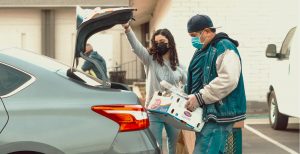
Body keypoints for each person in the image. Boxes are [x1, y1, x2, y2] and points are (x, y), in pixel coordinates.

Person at [184, 14, 246, 154]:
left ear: (206, 31)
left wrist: (199, 97)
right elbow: (198, 78)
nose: (193, 40)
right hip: (207, 113)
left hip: (218, 114)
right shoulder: (203, 49)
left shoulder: (224, 47)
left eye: (194, 35)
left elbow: (229, 79)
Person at [122, 23, 186, 154]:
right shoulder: (149, 59)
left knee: (173, 145)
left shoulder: (179, 66)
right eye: (156, 42)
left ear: (170, 43)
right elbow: (136, 47)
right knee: (155, 147)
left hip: (173, 110)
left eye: (162, 41)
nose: (159, 44)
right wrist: (127, 28)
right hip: (154, 109)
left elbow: (188, 86)